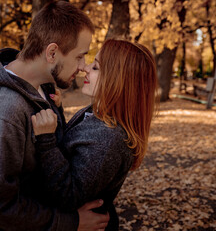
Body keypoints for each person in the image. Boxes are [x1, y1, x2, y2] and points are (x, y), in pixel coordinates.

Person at [0, 1, 110, 231]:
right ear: (52, 53)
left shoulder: (45, 87)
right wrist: (71, 223)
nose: (83, 67)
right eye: (80, 56)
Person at [32, 39, 158, 230]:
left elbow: (68, 195)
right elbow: (72, 146)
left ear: (118, 80)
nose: (85, 68)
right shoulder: (98, 114)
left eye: (96, 67)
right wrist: (57, 112)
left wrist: (45, 140)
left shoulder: (108, 139)